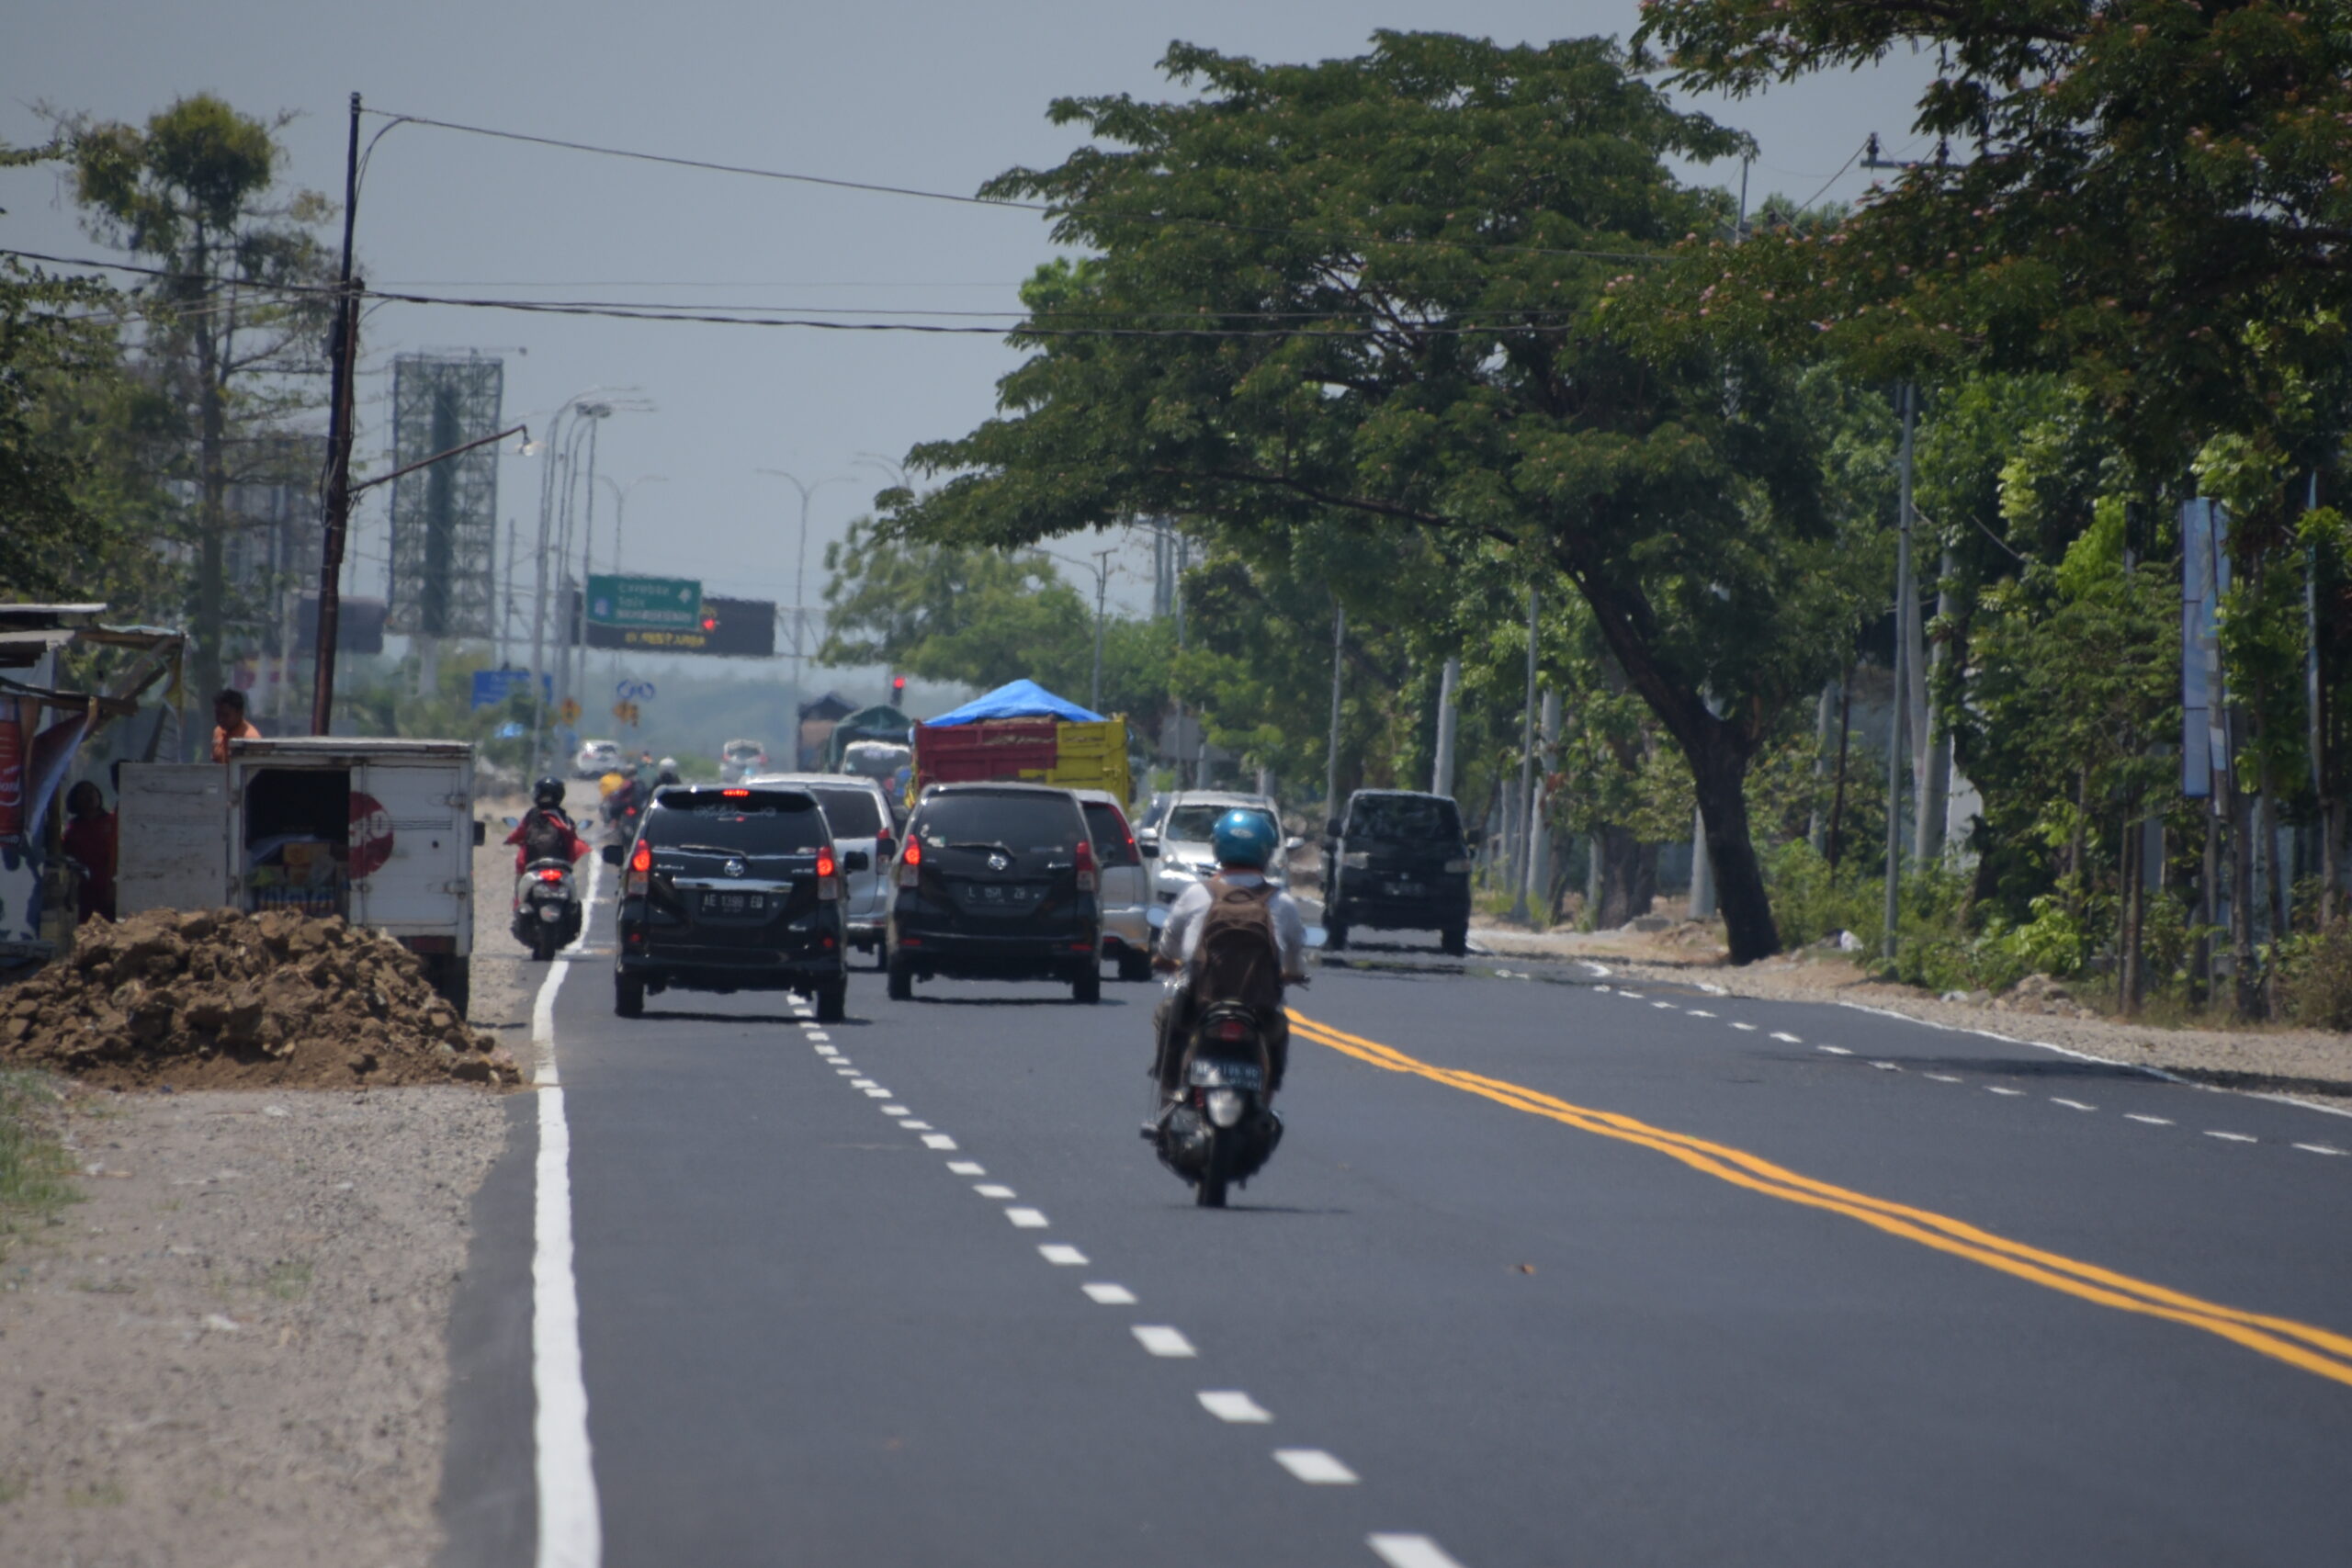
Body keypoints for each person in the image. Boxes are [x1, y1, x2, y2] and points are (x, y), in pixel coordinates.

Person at [1150, 808, 1308, 1105]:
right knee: (1279, 1031)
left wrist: (1163, 962)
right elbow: (1295, 958)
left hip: (1200, 1004)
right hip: (1258, 1009)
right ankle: (1266, 1098)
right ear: (1265, 852)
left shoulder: (1196, 894)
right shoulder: (1282, 902)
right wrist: (1293, 974)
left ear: (1218, 847)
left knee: (1166, 1015)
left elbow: (1167, 948)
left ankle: (1170, 1092)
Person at [60, 779, 117, 922]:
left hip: (111, 886)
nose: (89, 796)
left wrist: (114, 884)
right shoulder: (73, 829)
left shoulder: (113, 822)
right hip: (85, 891)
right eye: (83, 793)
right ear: (75, 800)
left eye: (92, 791)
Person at [505, 776, 589, 873]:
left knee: (521, 868)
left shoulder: (532, 814)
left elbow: (520, 831)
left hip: (534, 861)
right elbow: (571, 836)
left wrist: (509, 840)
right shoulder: (562, 815)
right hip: (560, 862)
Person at [209, 687, 261, 762]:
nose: (221, 719)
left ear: (240, 713)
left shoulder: (251, 738)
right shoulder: (218, 731)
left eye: (226, 715)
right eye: (218, 714)